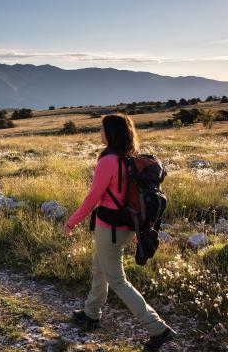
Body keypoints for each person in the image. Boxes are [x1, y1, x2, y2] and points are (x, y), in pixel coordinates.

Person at [62, 114, 176, 351]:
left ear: (111, 133)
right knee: (100, 266)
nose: (100, 134)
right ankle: (91, 313)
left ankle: (158, 329)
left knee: (118, 280)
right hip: (126, 226)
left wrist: (71, 222)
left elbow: (93, 197)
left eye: (102, 130)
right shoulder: (129, 157)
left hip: (110, 228)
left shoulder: (107, 161)